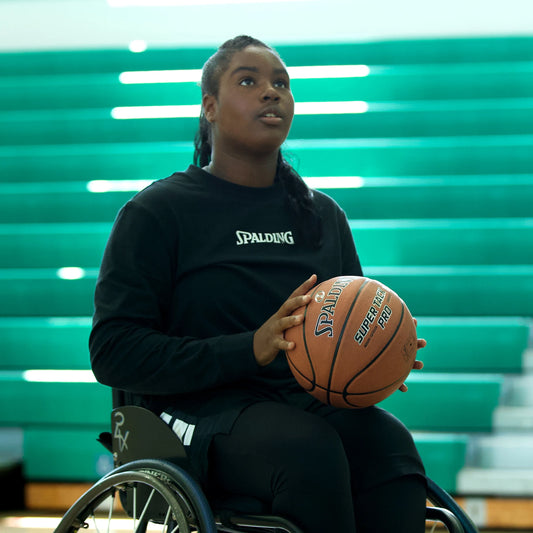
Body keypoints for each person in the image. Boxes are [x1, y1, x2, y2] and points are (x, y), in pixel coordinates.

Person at [90, 35, 427, 533]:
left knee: (389, 445)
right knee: (306, 449)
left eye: (281, 83)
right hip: (186, 415)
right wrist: (251, 347)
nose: (272, 92)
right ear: (210, 107)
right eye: (248, 81)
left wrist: (377, 355)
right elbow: (113, 351)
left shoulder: (322, 217)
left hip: (301, 407)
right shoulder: (158, 212)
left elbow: (342, 333)